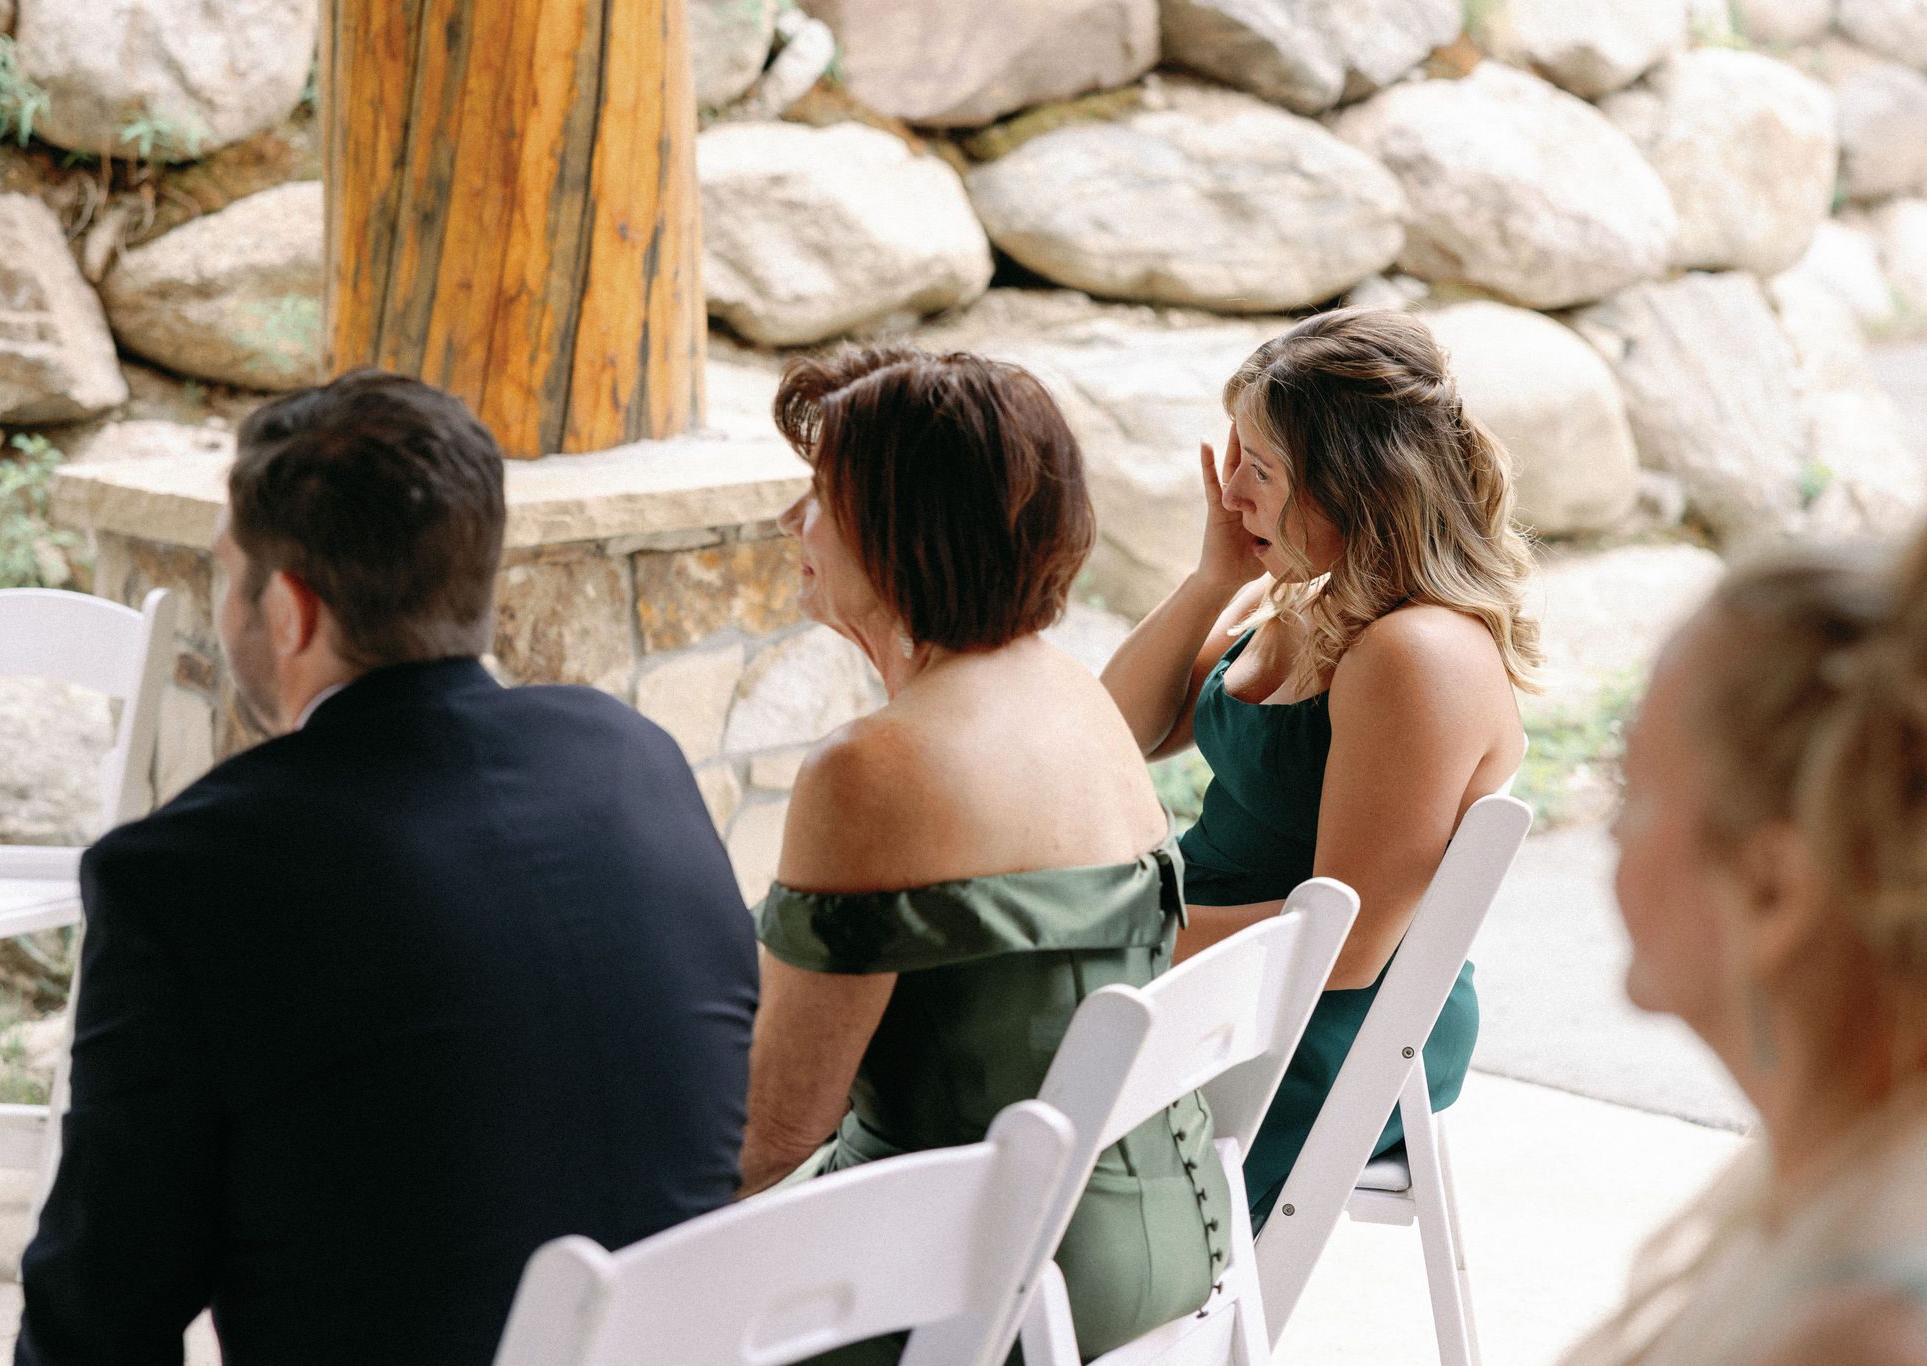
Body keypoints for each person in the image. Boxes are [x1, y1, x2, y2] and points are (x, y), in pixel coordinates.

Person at [17, 371, 759, 1366]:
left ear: (288, 611)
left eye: (228, 572)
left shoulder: (189, 875)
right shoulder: (635, 761)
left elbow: (96, 1322)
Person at [740, 346, 1229, 1362]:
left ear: (902, 530)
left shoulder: (871, 770)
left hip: (972, 1279)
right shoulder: (1073, 701)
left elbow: (770, 1134)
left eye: (820, 496)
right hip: (1167, 1236)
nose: (796, 524)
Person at [1100, 308, 1540, 1229]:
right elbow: (1118, 733)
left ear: (1351, 486)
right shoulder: (1300, 594)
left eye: (1258, 472)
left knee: (984, 1082)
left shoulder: (1417, 654)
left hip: (1319, 1022)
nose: (1235, 497)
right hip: (1214, 962)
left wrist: (1111, 943)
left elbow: (1345, 948)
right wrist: (1213, 576)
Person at [1562, 533, 1927, 1366]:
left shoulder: (1854, 1335)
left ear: (1773, 890)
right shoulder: (1836, 1165)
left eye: (1637, 790)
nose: (1614, 832)